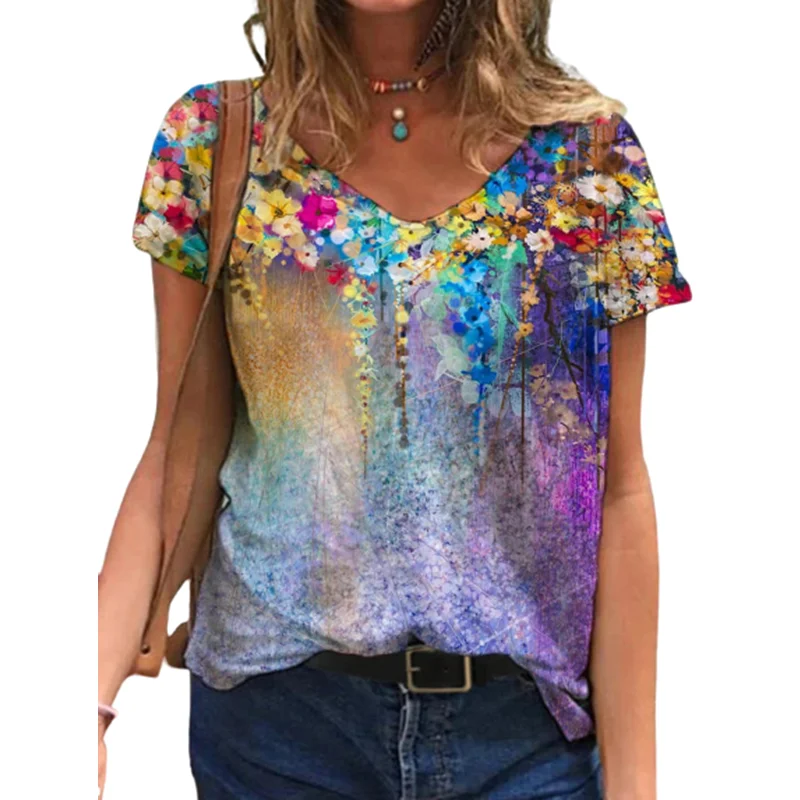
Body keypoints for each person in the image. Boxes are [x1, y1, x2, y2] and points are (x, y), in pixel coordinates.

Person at [98, 1, 693, 797]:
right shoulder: (216, 139)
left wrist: (637, 784)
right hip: (279, 734)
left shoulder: (588, 158)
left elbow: (616, 488)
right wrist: (84, 706)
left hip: (522, 743)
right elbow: (179, 449)